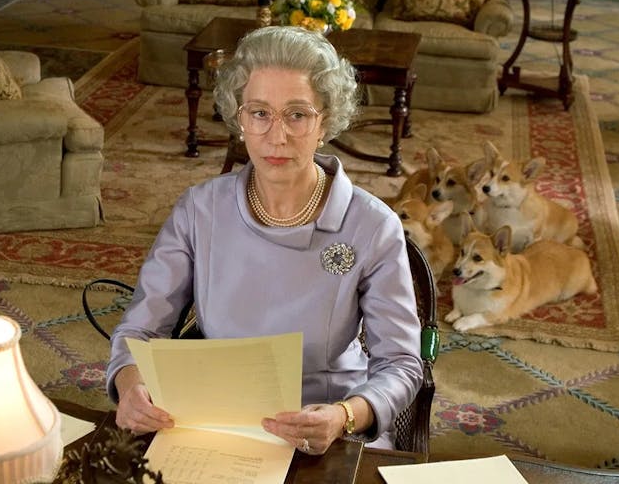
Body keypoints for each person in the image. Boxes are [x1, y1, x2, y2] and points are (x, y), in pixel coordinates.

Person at [106, 25, 423, 455]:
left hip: (328, 429)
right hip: (213, 418)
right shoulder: (200, 209)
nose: (277, 136)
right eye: (259, 113)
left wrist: (345, 415)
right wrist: (130, 386)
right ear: (238, 119)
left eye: (297, 114)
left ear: (325, 120)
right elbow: (139, 330)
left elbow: (402, 364)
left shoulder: (372, 225)